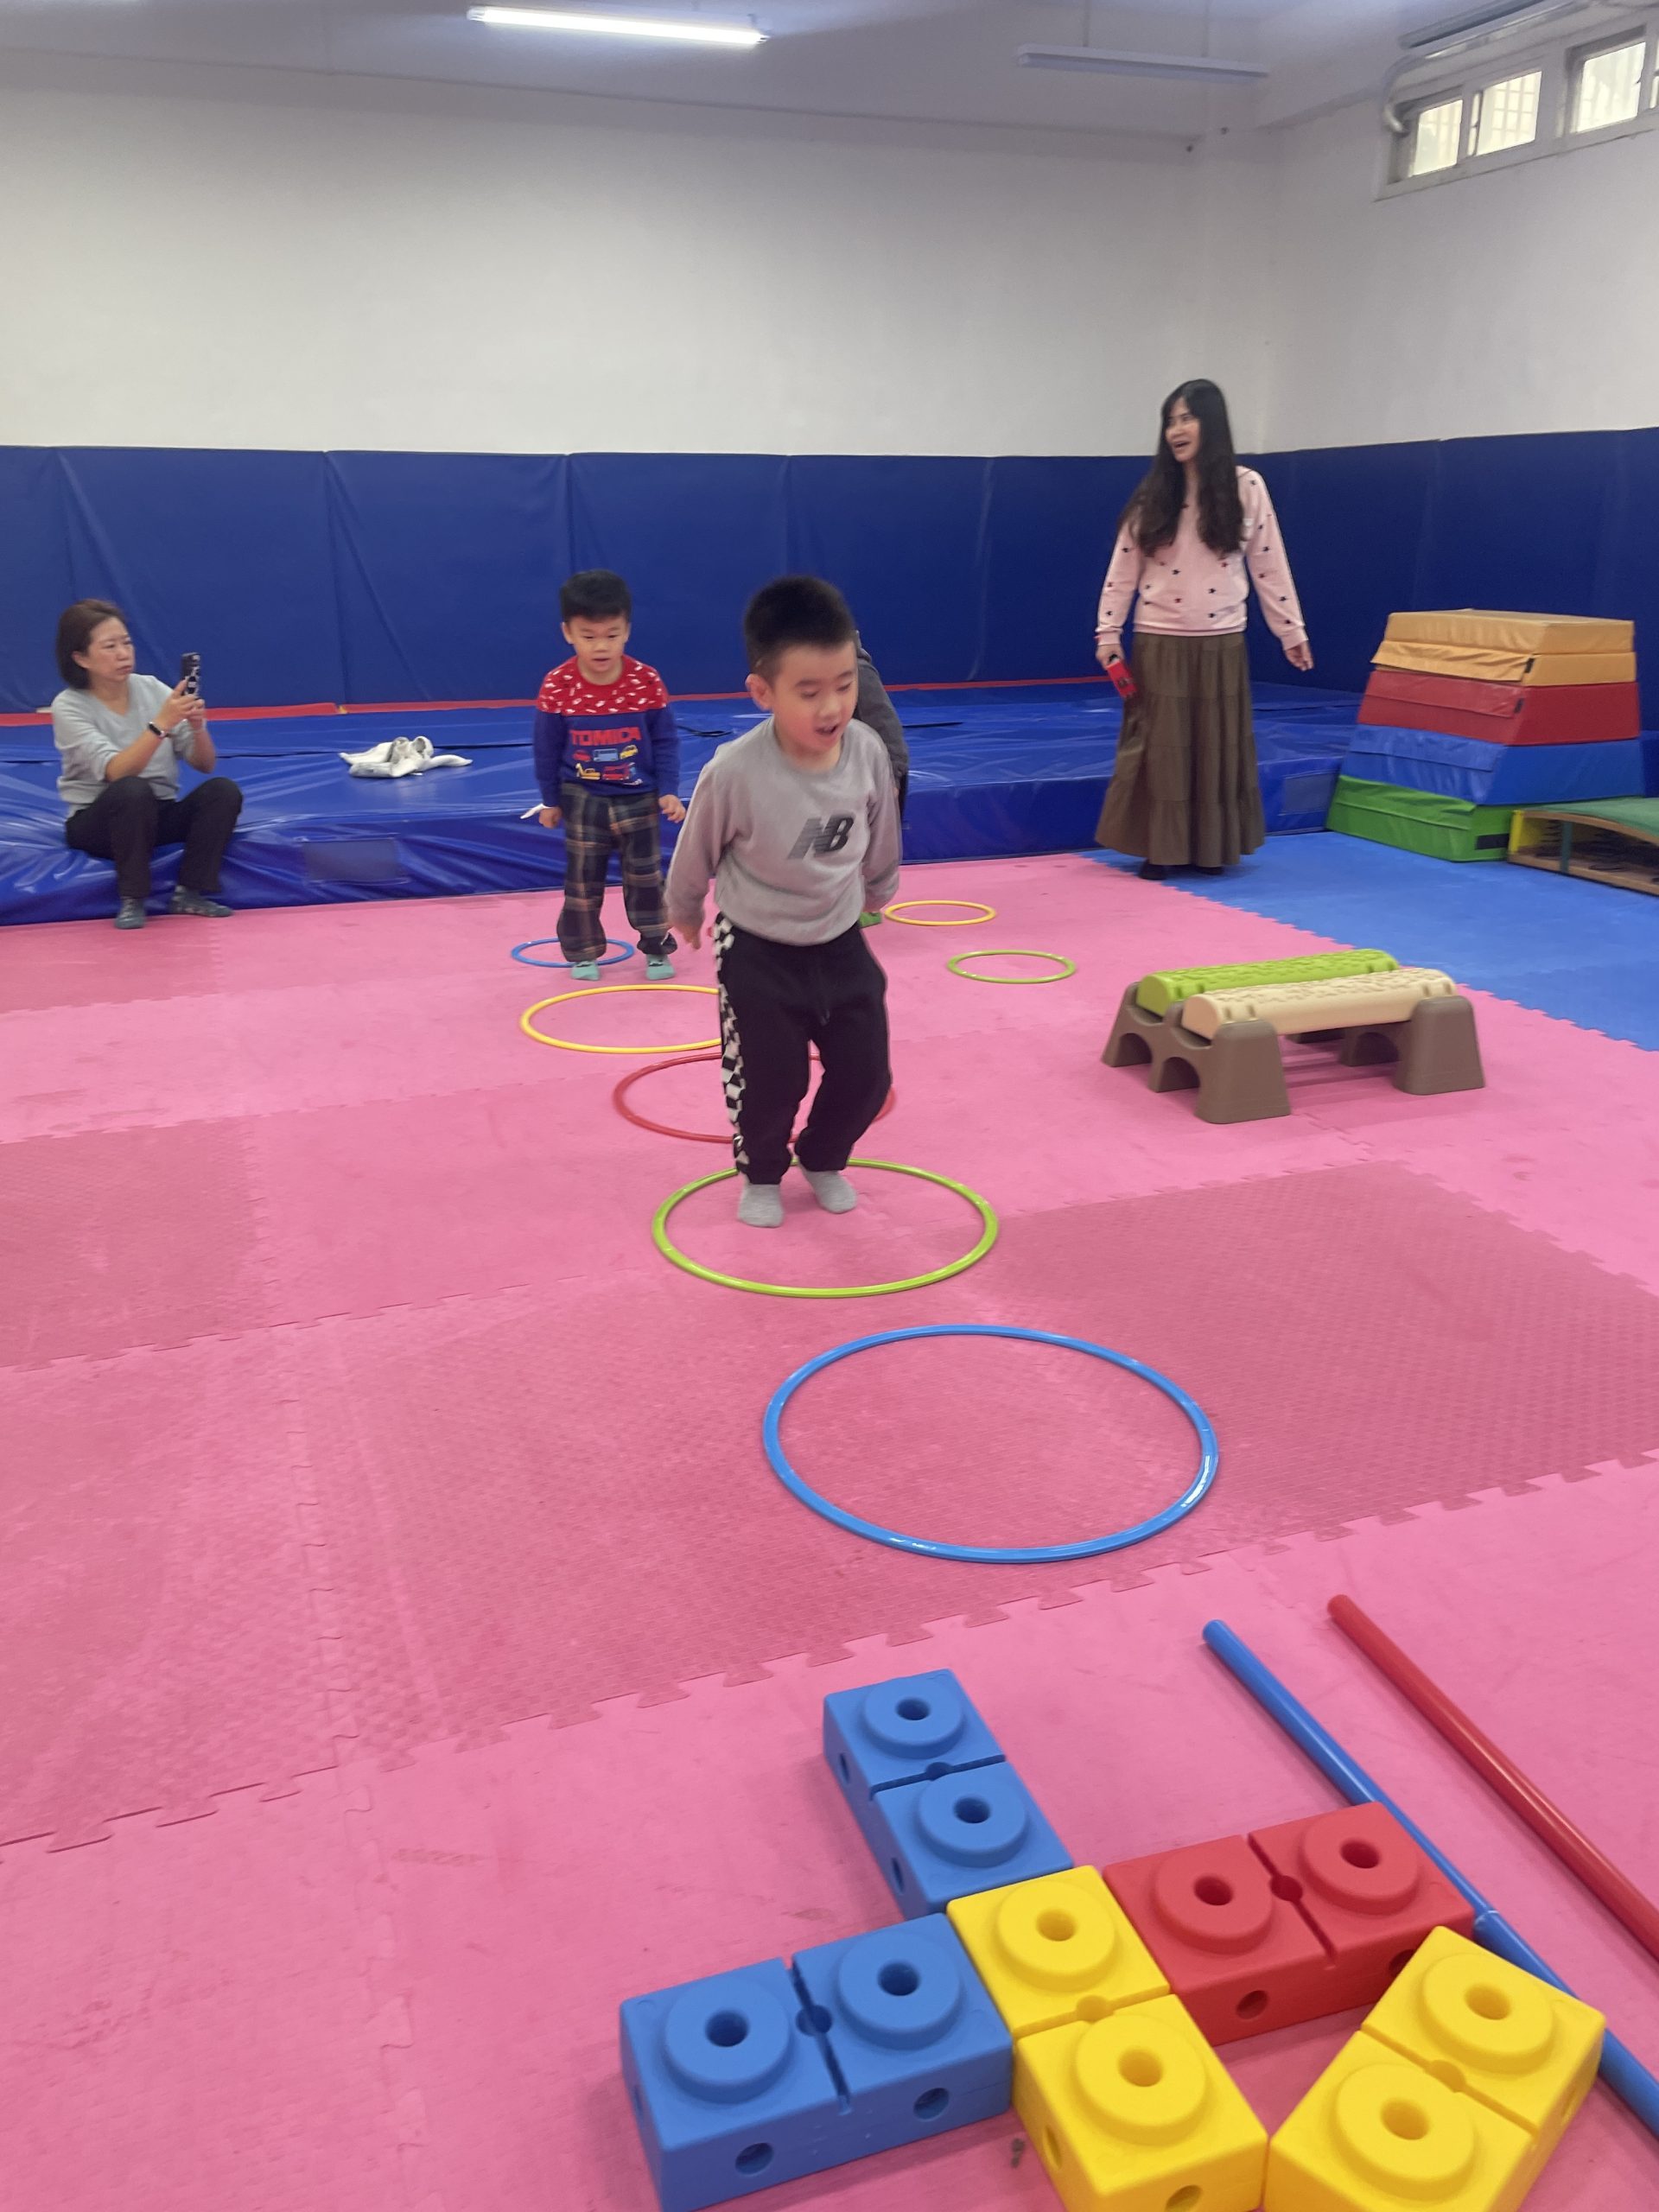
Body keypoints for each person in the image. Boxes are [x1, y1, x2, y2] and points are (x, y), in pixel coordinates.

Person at [665, 576, 900, 1230]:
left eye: (845, 685)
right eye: (810, 691)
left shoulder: (867, 751)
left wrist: (880, 888)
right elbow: (696, 846)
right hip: (757, 947)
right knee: (773, 1079)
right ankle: (763, 1172)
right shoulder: (735, 771)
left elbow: (882, 828)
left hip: (839, 936)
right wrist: (683, 906)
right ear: (763, 692)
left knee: (868, 1072)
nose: (833, 706)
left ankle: (822, 1156)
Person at [1095, 378, 1313, 880]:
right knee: (1161, 750)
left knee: (1215, 750)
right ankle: (1160, 848)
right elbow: (1123, 568)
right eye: (1170, 421)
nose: (1177, 430)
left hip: (1221, 642)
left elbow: (1269, 564)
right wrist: (1108, 634)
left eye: (1187, 418)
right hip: (1160, 640)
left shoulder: (1246, 487)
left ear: (1211, 425)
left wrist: (1291, 631)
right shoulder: (1154, 494)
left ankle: (1210, 848)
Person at [50, 600, 243, 930]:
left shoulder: (151, 688)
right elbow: (117, 772)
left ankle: (190, 892)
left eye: (126, 643)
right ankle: (133, 897)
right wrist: (160, 724)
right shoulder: (68, 706)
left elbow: (205, 764)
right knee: (132, 789)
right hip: (99, 821)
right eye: (110, 647)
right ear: (81, 658)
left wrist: (197, 727)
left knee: (223, 791)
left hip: (154, 813)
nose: (123, 654)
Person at [532, 569, 683, 982]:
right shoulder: (558, 684)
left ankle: (656, 946)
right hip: (582, 797)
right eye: (588, 636)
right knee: (582, 881)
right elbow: (546, 748)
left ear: (627, 630)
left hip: (638, 795)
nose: (601, 646)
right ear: (568, 633)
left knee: (646, 877)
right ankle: (583, 952)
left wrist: (669, 790)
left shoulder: (645, 680)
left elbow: (666, 739)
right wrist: (550, 800)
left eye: (612, 635)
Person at [853, 636, 908, 929]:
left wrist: (892, 775)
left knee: (868, 840)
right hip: (849, 770)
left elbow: (886, 727)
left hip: (879, 773)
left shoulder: (858, 673)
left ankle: (864, 903)